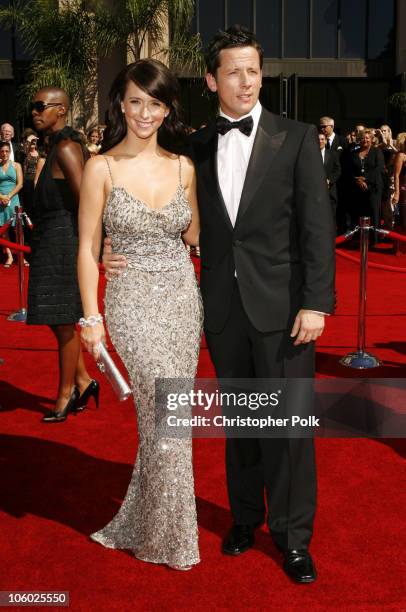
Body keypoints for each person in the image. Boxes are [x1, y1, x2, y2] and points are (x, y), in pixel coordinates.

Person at [103, 26, 335, 583]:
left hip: (284, 311)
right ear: (212, 80)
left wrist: (316, 304)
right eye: (233, 71)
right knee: (241, 425)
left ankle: (293, 536)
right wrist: (113, 244)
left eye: (253, 70)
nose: (246, 80)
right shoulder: (197, 147)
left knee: (290, 429)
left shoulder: (297, 138)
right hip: (221, 309)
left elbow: (317, 229)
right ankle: (245, 519)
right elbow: (156, 199)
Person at [77, 59, 202, 570]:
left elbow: (195, 237)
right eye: (135, 101)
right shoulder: (100, 167)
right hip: (130, 301)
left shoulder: (184, 166)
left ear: (167, 106)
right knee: (168, 414)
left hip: (181, 299)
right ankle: (174, 540)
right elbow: (87, 247)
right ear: (120, 105)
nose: (144, 113)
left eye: (154, 103)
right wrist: (91, 317)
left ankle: (140, 523)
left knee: (166, 421)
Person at [26, 87, 97, 422]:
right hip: (49, 241)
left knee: (64, 323)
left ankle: (66, 393)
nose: (35, 112)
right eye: (34, 107)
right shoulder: (51, 148)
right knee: (56, 321)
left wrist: (93, 247)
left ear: (63, 110)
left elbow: (87, 200)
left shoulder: (67, 148)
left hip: (64, 242)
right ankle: (83, 381)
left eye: (42, 106)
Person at [341, 128, 384, 235]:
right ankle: (358, 238)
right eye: (363, 138)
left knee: (373, 213)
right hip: (357, 188)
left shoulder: (376, 151)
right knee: (358, 213)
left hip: (373, 188)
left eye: (367, 138)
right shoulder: (353, 153)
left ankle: (373, 239)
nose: (365, 140)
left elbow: (379, 168)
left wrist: (365, 179)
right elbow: (348, 170)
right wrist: (357, 180)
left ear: (372, 139)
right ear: (359, 139)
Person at [0, 141, 23, 267]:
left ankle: (21, 255)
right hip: (0, 200)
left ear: (10, 152)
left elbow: (20, 184)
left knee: (17, 229)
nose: (4, 153)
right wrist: (2, 197)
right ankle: (9, 256)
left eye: (6, 151)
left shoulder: (16, 165)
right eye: (2, 151)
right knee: (3, 229)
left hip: (13, 199)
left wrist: (8, 196)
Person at [319, 132, 341, 216]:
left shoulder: (333, 154)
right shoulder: (310, 155)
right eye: (318, 139)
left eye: (322, 139)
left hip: (330, 191)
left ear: (325, 141)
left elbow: (337, 170)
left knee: (331, 216)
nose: (320, 141)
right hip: (315, 192)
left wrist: (330, 180)